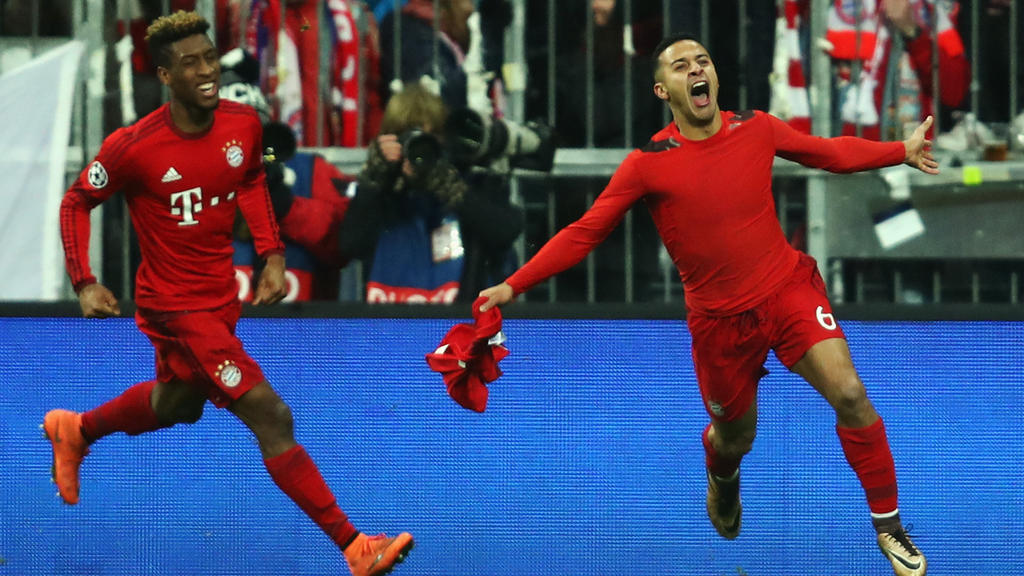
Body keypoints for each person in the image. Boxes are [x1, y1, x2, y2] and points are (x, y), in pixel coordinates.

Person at [478, 33, 938, 576]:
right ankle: (722, 478)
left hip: (787, 289)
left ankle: (889, 527)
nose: (695, 68)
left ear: (714, 77)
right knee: (736, 437)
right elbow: (585, 233)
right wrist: (512, 285)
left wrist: (899, 151)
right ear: (663, 89)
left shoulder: (757, 127)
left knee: (852, 393)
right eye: (680, 65)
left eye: (703, 60)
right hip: (720, 325)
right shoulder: (647, 164)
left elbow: (829, 152)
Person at [44, 11, 413, 576]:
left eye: (211, 58)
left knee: (179, 404)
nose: (207, 71)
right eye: (190, 63)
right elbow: (76, 202)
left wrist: (271, 252)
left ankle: (77, 429)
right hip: (175, 310)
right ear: (165, 76)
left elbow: (250, 181)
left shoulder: (243, 126)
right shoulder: (133, 145)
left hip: (220, 301)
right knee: (272, 415)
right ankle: (355, 545)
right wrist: (85, 281)